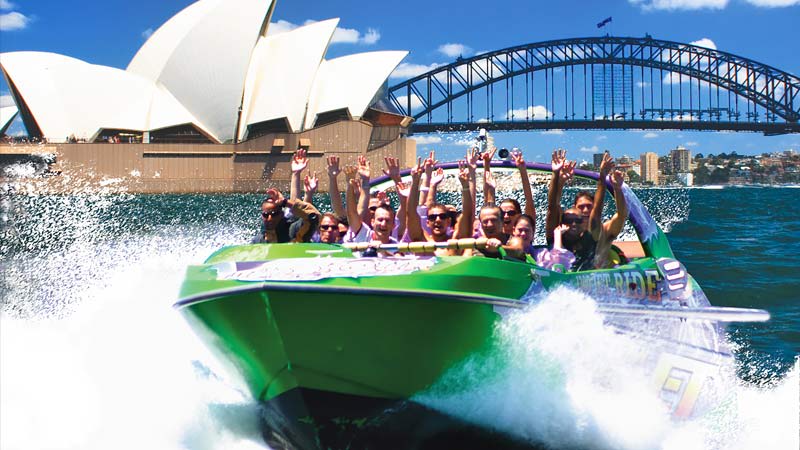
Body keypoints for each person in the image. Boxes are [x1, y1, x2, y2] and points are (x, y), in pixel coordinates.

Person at [253, 188, 320, 243]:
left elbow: (314, 217)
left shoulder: (294, 231)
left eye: (274, 214)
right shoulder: (258, 241)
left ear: (282, 214)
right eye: (265, 215)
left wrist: (285, 202)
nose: (270, 218)